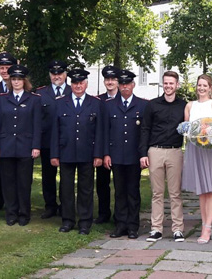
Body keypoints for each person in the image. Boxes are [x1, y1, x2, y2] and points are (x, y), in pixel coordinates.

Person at [51, 69, 103, 235]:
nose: (78, 86)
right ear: (71, 84)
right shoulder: (60, 103)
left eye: (81, 83)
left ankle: (85, 222)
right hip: (66, 152)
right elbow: (55, 131)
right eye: (75, 83)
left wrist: (98, 154)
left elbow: (99, 132)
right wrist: (54, 154)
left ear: (86, 84)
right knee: (66, 188)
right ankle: (67, 220)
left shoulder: (95, 103)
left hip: (87, 153)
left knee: (85, 189)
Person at [182, 74, 212, 244]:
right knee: (201, 190)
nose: (201, 88)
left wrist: (209, 133)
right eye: (199, 85)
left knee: (211, 189)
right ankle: (204, 223)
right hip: (195, 150)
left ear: (210, 88)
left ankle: (208, 228)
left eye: (205, 85)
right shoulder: (190, 106)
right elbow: (187, 128)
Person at [139, 71, 186, 242]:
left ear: (177, 85)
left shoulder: (184, 105)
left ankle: (177, 229)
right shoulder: (152, 105)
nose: (168, 86)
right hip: (155, 151)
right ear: (162, 84)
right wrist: (143, 153)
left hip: (174, 151)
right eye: (165, 83)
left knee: (175, 193)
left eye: (171, 83)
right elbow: (145, 129)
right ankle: (156, 228)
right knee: (157, 193)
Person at [0, 64, 42, 226]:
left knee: (24, 182)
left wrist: (36, 146)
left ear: (24, 81)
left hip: (25, 147)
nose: (16, 82)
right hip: (6, 146)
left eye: (19, 79)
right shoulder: (2, 99)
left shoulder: (34, 99)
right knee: (8, 182)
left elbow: (37, 125)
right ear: (10, 81)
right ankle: (11, 213)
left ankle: (24, 214)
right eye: (13, 79)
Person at [103, 70, 148, 239]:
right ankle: (120, 224)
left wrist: (143, 154)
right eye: (122, 84)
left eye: (127, 84)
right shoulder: (109, 105)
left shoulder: (142, 105)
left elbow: (144, 133)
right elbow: (105, 132)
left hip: (134, 156)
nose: (124, 87)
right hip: (116, 155)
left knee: (133, 191)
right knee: (119, 191)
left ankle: (133, 226)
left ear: (133, 85)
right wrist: (106, 153)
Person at [35, 60, 71, 219]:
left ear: (65, 75)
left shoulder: (73, 91)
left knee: (66, 176)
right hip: (47, 141)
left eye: (60, 73)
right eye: (54, 74)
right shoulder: (41, 93)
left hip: (67, 142)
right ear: (50, 75)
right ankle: (50, 206)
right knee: (48, 176)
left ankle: (65, 205)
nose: (57, 76)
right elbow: (36, 120)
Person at [95, 65, 121, 224]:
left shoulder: (124, 98)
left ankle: (120, 215)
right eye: (107, 79)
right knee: (102, 183)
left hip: (120, 148)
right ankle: (103, 213)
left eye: (113, 79)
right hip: (102, 147)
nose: (110, 82)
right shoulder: (98, 101)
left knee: (120, 185)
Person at [0, 51, 17, 209]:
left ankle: (17, 201)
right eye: (1, 67)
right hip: (0, 136)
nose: (4, 70)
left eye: (7, 67)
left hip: (17, 137)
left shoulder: (21, 87)